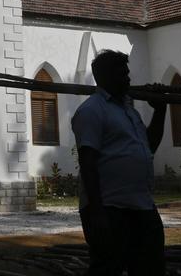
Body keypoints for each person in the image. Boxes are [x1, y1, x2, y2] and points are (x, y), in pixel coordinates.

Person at [72, 49, 168, 275]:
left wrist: (161, 111)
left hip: (142, 205)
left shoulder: (129, 110)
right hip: (110, 207)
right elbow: (88, 161)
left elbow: (148, 147)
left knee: (150, 266)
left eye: (127, 73)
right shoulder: (91, 110)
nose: (128, 79)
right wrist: (96, 211)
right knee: (108, 267)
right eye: (122, 74)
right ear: (105, 77)